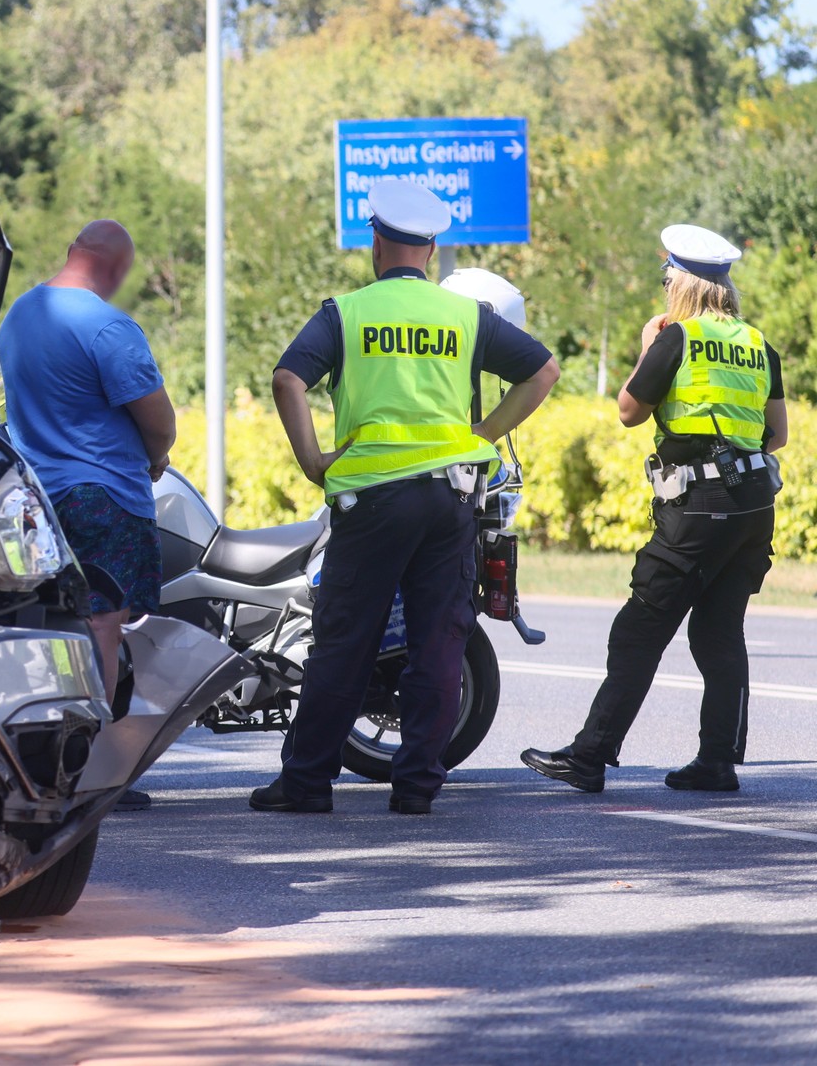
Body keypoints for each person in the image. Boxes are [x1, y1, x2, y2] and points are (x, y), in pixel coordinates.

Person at [251, 180, 559, 815]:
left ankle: (306, 784)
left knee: (345, 642)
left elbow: (287, 380)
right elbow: (544, 371)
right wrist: (482, 435)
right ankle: (417, 786)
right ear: (432, 249)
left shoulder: (346, 313)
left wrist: (313, 461)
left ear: (376, 242)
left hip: (371, 502)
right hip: (450, 500)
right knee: (439, 643)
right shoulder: (465, 315)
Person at [523, 225, 787, 795]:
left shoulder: (677, 339)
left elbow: (629, 411)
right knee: (719, 634)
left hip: (698, 510)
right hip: (753, 508)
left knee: (638, 629)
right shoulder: (759, 344)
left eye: (667, 280)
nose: (665, 289)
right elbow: (778, 434)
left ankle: (590, 756)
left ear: (682, 284)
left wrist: (648, 345)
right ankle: (717, 762)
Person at [0, 220, 175, 807]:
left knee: (48, 627)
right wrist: (157, 457)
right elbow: (158, 421)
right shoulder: (108, 327)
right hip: (103, 495)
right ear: (117, 268)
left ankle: (34, 760)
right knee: (103, 625)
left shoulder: (19, 315)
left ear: (73, 250)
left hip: (35, 500)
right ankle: (90, 773)